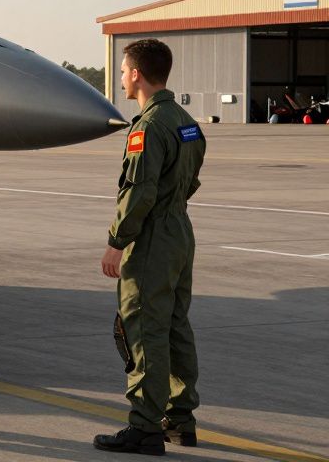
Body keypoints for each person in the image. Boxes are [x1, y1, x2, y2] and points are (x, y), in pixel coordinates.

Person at [94, 39, 206, 456]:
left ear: (137, 74)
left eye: (123, 71)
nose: (121, 78)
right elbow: (190, 179)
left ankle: (144, 427)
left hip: (154, 235)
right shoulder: (186, 121)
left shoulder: (148, 125)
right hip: (180, 230)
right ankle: (180, 420)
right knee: (176, 325)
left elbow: (139, 192)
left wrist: (116, 242)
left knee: (144, 329)